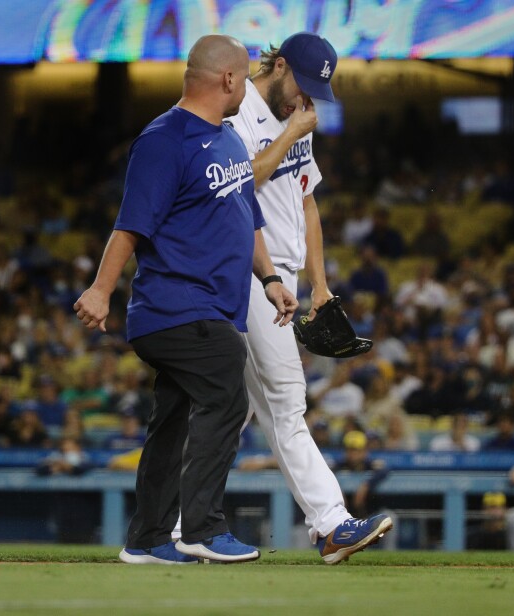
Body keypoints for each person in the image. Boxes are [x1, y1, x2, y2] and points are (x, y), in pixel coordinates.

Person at [74, 34, 298, 565]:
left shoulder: (226, 139)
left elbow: (248, 218)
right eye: (244, 77)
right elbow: (130, 225)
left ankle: (147, 539)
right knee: (227, 385)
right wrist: (101, 289)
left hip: (205, 306)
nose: (246, 86)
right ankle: (200, 528)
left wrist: (269, 279)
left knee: (172, 420)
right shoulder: (164, 140)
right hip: (175, 305)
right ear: (226, 79)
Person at [222, 30, 392, 564]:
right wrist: (292, 128)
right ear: (278, 65)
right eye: (303, 84)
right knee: (288, 400)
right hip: (249, 270)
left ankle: (175, 518)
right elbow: (237, 184)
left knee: (239, 411)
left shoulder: (299, 117)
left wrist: (318, 283)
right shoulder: (238, 110)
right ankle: (331, 522)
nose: (307, 99)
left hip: (287, 277)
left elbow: (307, 203)